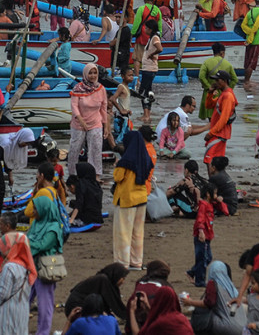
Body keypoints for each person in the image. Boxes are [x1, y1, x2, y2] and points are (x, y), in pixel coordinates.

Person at [112, 132, 152, 270]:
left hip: (127, 200)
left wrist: (117, 165)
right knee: (138, 233)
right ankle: (136, 261)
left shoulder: (125, 161)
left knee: (123, 232)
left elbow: (118, 178)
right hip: (141, 198)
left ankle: (122, 263)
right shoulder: (145, 158)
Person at [28, 193, 65, 335]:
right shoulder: (37, 223)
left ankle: (42, 332)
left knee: (45, 305)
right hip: (31, 268)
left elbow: (42, 245)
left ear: (44, 209)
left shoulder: (54, 228)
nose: (33, 212)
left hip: (45, 270)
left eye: (36, 209)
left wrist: (25, 245)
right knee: (23, 300)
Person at [0, 229, 36, 334]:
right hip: (22, 310)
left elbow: (4, 293)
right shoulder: (27, 266)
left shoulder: (9, 267)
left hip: (8, 312)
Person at [181, 259, 244, 334]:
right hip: (243, 327)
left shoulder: (212, 283)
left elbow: (208, 303)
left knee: (203, 318)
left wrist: (190, 302)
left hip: (227, 327)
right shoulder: (231, 286)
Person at [70, 63, 109, 178]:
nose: (92, 76)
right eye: (90, 73)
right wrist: (81, 121)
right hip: (79, 123)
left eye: (95, 73)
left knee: (96, 149)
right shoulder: (77, 89)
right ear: (85, 74)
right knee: (74, 149)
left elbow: (104, 108)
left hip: (95, 122)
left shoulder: (101, 89)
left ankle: (95, 175)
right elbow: (74, 106)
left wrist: (106, 126)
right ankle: (73, 174)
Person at [127, 285, 192, 334]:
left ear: (157, 301)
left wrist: (132, 311)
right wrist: (148, 308)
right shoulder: (183, 318)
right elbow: (156, 316)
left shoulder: (160, 324)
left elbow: (139, 334)